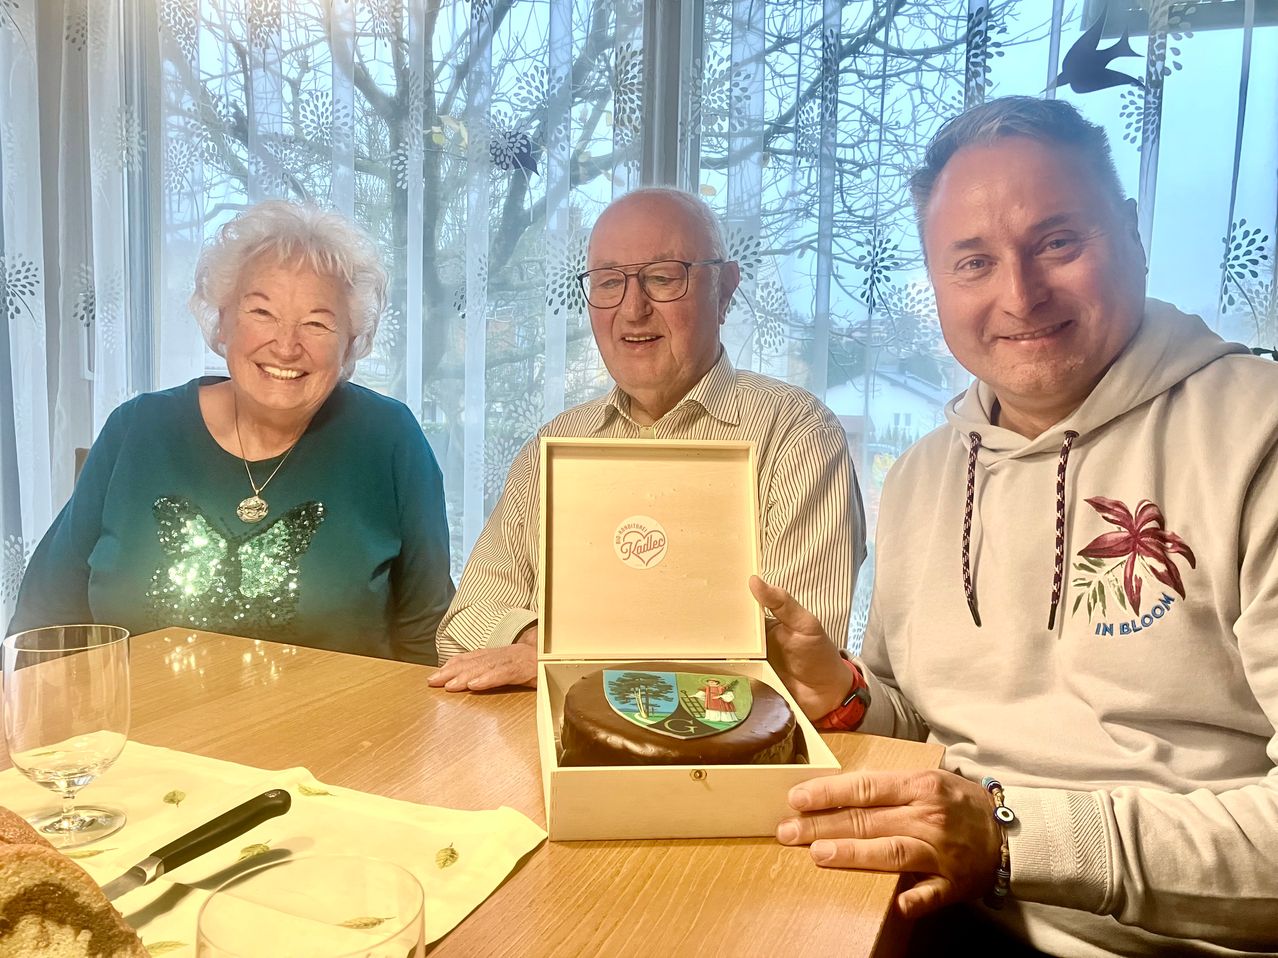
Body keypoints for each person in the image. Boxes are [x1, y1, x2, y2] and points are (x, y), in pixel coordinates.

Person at [756, 96, 1278, 955]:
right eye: (972, 262)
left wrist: (1011, 840)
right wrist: (843, 696)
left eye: (1058, 243)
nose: (1020, 295)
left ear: (1133, 235)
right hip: (934, 917)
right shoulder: (924, 475)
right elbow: (918, 730)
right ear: (935, 284)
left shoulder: (1256, 436)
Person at [431, 188, 864, 692]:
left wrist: (563, 662)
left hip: (716, 756)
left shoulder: (795, 435)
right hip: (543, 747)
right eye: (609, 282)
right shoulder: (555, 445)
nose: (633, 309)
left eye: (663, 278)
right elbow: (465, 622)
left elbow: (795, 662)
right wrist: (538, 642)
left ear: (724, 291)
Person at [7, 200, 455, 664]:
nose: (285, 345)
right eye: (262, 313)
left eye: (318, 323)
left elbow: (426, 636)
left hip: (331, 733)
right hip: (135, 729)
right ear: (222, 322)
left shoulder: (389, 439)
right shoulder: (137, 428)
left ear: (350, 346)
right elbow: (46, 620)